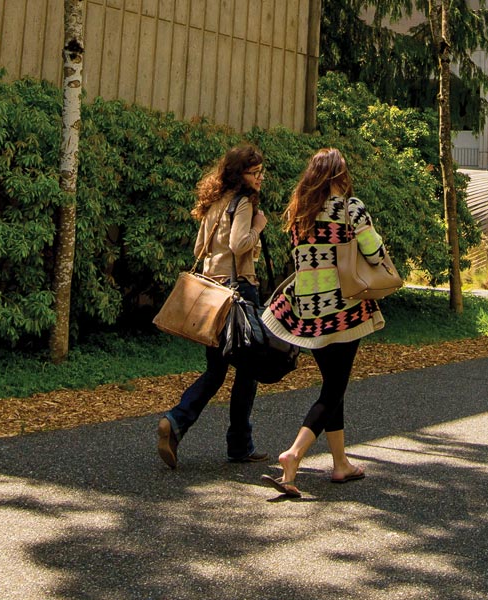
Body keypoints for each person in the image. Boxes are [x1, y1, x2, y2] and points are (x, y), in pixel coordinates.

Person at [257, 148, 385, 498]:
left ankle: (340, 463)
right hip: (343, 308)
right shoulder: (350, 208)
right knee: (333, 389)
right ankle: (294, 454)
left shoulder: (301, 211)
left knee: (333, 384)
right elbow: (374, 253)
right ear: (339, 175)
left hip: (309, 311)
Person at [155, 143, 271, 469]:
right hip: (239, 294)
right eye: (254, 172)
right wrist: (258, 228)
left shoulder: (215, 204)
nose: (260, 177)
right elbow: (238, 245)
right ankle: (240, 445)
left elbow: (198, 247)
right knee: (248, 371)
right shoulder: (244, 203)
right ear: (240, 174)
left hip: (212, 295)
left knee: (216, 370)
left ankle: (176, 421)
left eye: (262, 171)